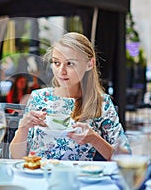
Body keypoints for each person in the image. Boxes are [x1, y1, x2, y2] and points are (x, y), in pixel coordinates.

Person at [10, 32, 130, 161]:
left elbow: (125, 157)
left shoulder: (100, 103)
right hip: (39, 175)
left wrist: (94, 139)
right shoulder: (39, 97)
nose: (61, 71)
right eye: (56, 63)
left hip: (78, 178)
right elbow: (16, 157)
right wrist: (23, 127)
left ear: (90, 64)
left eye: (70, 64)